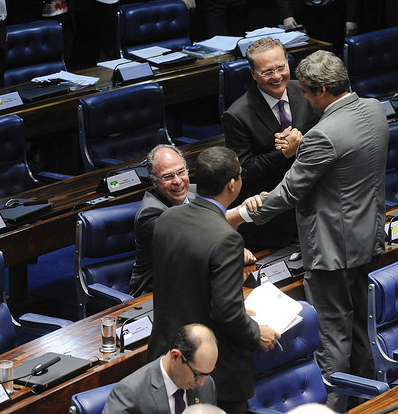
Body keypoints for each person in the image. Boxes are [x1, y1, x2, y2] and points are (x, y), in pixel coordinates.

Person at [228, 50, 389, 412]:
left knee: (332, 337)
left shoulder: (323, 135)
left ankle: (332, 407)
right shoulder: (375, 109)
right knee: (364, 330)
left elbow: (289, 191)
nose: (305, 100)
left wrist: (238, 217)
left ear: (324, 90)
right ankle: (369, 404)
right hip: (370, 237)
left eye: (308, 93)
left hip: (332, 251)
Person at [147, 146, 280, 414]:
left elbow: (182, 286)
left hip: (167, 356)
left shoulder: (167, 219)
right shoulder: (226, 238)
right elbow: (226, 313)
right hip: (209, 370)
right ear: (232, 184)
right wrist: (256, 333)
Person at [222, 37, 318, 251]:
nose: (276, 76)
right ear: (253, 73)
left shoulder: (305, 92)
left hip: (314, 209)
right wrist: (285, 153)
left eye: (281, 68)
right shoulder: (237, 115)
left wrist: (300, 140)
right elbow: (244, 171)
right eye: (267, 72)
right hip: (273, 224)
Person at [129, 144, 256, 297]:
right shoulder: (150, 214)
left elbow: (213, 218)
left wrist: (246, 206)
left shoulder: (195, 192)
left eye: (181, 172)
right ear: (154, 181)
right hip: (155, 295)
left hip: (195, 282)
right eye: (168, 176)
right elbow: (194, 240)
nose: (178, 181)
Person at [102, 323, 218, 414]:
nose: (202, 382)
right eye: (197, 374)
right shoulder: (130, 393)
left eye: (207, 374)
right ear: (175, 356)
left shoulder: (207, 386)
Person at [273, 0, 361, 55]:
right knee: (310, 53)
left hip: (335, 9)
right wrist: (287, 15)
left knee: (334, 52)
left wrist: (351, 18)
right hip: (304, 11)